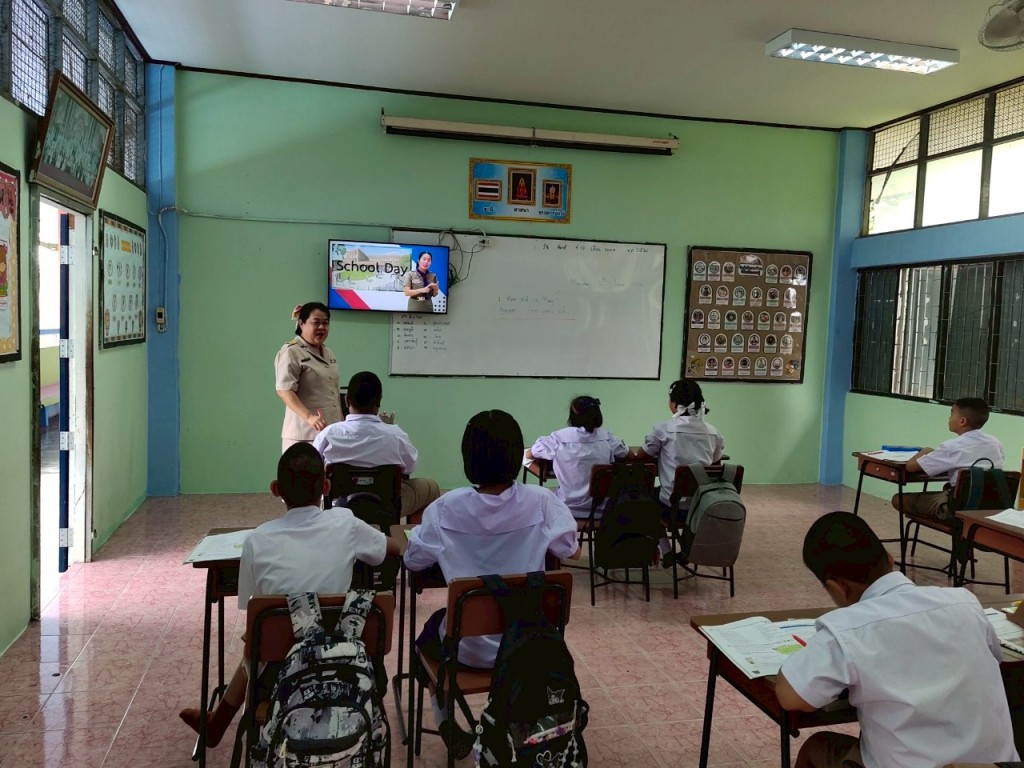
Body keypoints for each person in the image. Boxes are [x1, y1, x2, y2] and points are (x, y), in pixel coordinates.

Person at [179, 443, 405, 748]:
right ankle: (217, 721)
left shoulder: (257, 540)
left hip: (279, 680)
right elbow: (394, 549)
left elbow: (253, 610)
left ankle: (219, 721)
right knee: (283, 625)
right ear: (326, 487)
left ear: (275, 489)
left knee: (263, 630)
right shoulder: (346, 523)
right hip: (346, 670)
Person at [775, 511, 1018, 768]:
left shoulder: (847, 628)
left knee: (817, 747)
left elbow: (792, 697)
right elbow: (995, 658)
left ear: (837, 587)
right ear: (890, 559)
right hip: (998, 765)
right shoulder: (964, 602)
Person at [404, 410, 580, 755]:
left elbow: (413, 561)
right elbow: (569, 549)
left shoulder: (444, 508)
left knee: (428, 635)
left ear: (467, 458)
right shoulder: (542, 502)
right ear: (516, 457)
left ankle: (444, 719)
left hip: (466, 651)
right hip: (529, 648)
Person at [312, 371, 440, 520]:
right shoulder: (396, 435)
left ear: (346, 401)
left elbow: (313, 469)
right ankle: (408, 534)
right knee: (431, 488)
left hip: (339, 507)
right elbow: (410, 466)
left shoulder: (328, 434)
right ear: (379, 402)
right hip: (387, 507)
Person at [892, 397, 1005, 520]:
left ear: (962, 421)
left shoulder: (952, 446)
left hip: (958, 507)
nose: (949, 418)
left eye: (951, 414)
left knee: (898, 499)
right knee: (947, 488)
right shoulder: (995, 443)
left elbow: (910, 467)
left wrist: (926, 450)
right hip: (991, 507)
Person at [524, 395, 629, 519]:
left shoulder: (557, 438)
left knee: (527, 462)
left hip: (565, 510)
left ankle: (544, 475)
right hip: (602, 511)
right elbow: (627, 454)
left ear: (572, 415)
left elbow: (529, 455)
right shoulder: (607, 437)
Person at [634, 379, 725, 507]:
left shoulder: (663, 429)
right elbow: (715, 460)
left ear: (674, 404)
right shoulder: (714, 432)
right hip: (701, 503)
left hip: (670, 502)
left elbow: (641, 455)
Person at [275, 302, 342, 453]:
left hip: (331, 433)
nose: (321, 327)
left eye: (325, 323)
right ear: (301, 324)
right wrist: (309, 417)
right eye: (316, 322)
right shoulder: (291, 352)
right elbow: (284, 390)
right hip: (303, 436)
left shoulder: (328, 353)